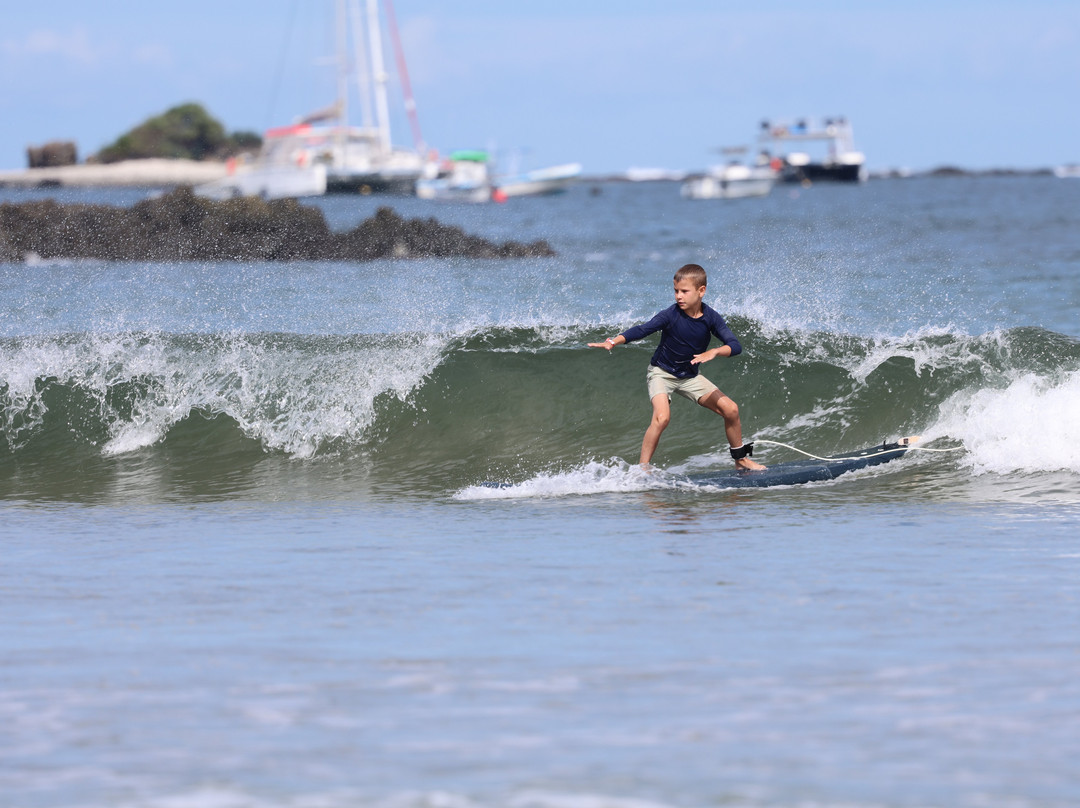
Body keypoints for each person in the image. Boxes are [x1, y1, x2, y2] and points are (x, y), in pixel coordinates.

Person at [588, 263, 765, 471]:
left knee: (731, 409)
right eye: (676, 291)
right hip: (661, 373)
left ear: (701, 291)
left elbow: (735, 346)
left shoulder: (711, 318)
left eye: (684, 291)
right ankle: (642, 469)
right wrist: (614, 341)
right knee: (662, 418)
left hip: (689, 377)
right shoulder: (670, 315)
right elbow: (643, 329)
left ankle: (740, 460)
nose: (678, 296)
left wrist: (715, 351)